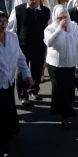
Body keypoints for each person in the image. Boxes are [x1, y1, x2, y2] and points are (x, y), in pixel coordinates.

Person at [7, 0, 52, 106]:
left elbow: (51, 28)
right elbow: (11, 29)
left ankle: (33, 90)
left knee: (37, 68)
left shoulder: (46, 11)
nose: (34, 1)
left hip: (39, 45)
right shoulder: (18, 10)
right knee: (22, 70)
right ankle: (23, 95)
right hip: (23, 45)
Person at [0, 11, 33, 156]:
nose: (2, 25)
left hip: (8, 81)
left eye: (5, 21)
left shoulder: (13, 37)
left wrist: (27, 75)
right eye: (0, 21)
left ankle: (8, 133)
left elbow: (20, 58)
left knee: (8, 109)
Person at [44, 5, 78, 129]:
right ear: (55, 18)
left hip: (70, 63)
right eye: (59, 18)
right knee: (60, 88)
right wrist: (60, 28)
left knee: (64, 88)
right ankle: (65, 116)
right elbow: (50, 43)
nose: (63, 20)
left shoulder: (74, 26)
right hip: (55, 64)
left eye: (65, 17)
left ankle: (58, 110)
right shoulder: (50, 29)